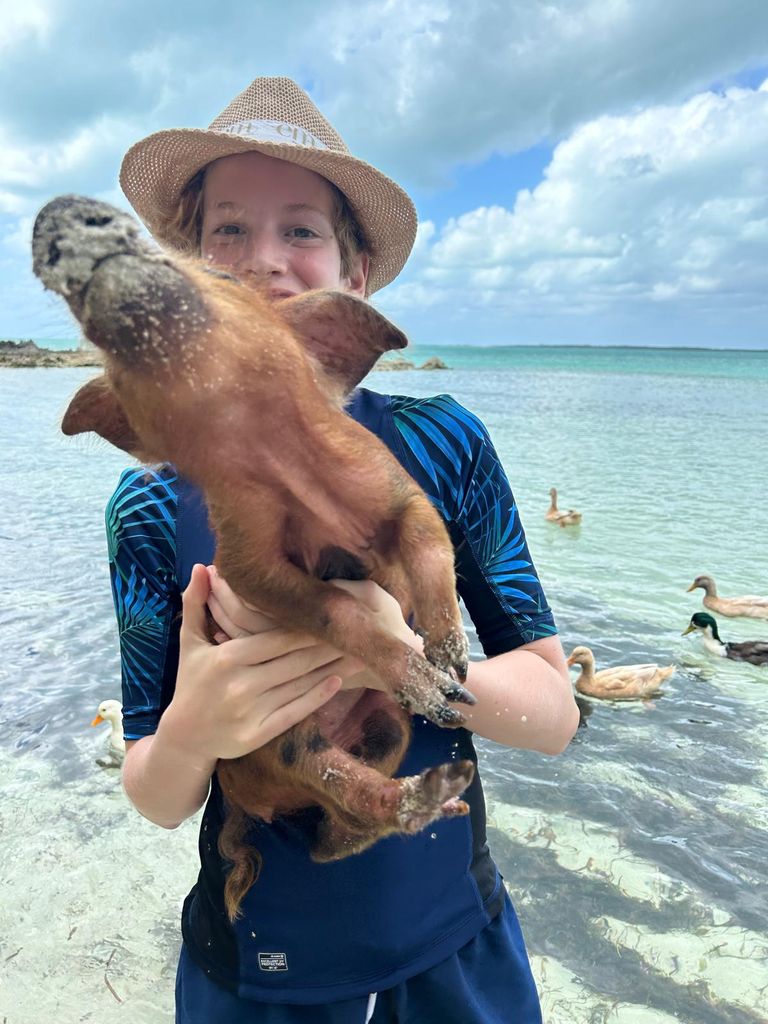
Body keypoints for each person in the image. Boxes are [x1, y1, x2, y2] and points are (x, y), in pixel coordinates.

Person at [110, 76, 579, 1024]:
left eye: (302, 231)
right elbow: (157, 792)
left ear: (352, 279)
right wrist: (196, 729)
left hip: (455, 953)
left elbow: (557, 714)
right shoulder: (149, 502)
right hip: (253, 974)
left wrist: (403, 657)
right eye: (228, 232)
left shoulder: (446, 445)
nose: (265, 261)